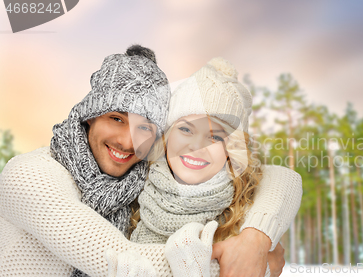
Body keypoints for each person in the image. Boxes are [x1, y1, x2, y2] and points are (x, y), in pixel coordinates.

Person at [0, 46, 302, 277]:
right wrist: (250, 263)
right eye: (116, 118)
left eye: (144, 126)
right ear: (89, 116)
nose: (128, 141)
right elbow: (122, 261)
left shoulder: (134, 181)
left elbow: (281, 178)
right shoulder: (30, 174)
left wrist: (256, 238)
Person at [127, 57, 302, 277]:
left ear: (231, 150)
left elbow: (285, 177)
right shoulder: (133, 191)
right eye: (186, 130)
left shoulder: (244, 213)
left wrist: (255, 241)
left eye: (214, 136)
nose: (196, 147)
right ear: (167, 137)